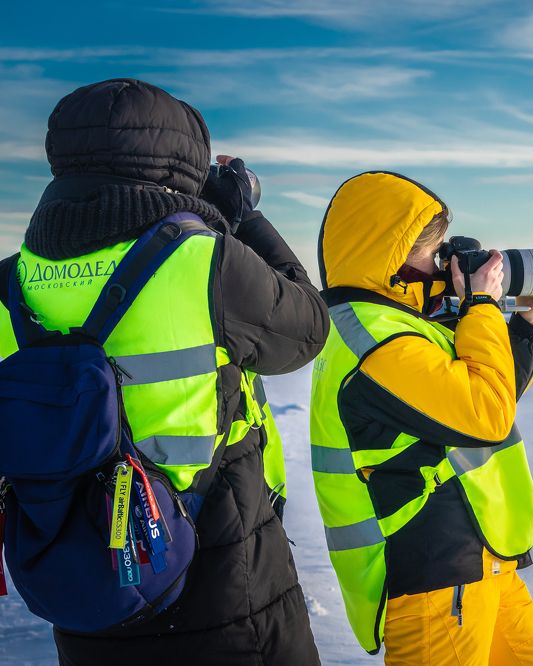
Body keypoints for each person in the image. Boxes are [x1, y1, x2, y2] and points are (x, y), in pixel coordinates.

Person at [0, 79, 328, 665]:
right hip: (220, 582)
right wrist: (244, 218)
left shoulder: (8, 284)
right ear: (184, 165)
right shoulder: (203, 261)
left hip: (85, 583)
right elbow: (306, 331)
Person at [310, 171, 533, 664]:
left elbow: (488, 390)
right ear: (393, 259)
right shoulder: (376, 341)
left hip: (482, 559)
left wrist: (523, 322)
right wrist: (480, 303)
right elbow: (485, 414)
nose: (441, 266)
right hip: (436, 576)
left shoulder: (396, 323)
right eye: (433, 255)